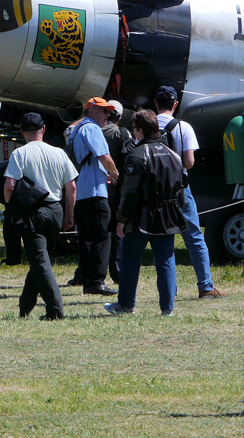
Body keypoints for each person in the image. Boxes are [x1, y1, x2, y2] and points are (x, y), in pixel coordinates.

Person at [105, 110, 188, 316]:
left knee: (130, 260)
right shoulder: (174, 155)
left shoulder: (137, 155)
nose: (133, 132)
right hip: (168, 215)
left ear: (140, 130)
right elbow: (181, 190)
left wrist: (121, 219)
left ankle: (125, 305)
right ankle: (167, 308)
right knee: (166, 261)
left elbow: (130, 192)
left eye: (134, 129)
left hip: (141, 216)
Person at [3, 112, 77, 320]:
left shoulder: (20, 154)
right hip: (55, 210)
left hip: (33, 213)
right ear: (43, 129)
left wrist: (11, 207)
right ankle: (24, 307)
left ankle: (56, 310)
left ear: (22, 132)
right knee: (41, 261)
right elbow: (71, 186)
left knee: (41, 263)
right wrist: (69, 214)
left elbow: (9, 186)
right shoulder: (59, 153)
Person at [154, 85, 225, 299]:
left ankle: (169, 289)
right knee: (194, 237)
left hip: (154, 190)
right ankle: (205, 286)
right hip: (180, 188)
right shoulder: (184, 127)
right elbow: (189, 162)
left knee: (161, 239)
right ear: (175, 104)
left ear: (155, 103)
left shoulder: (147, 125)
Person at [68, 97, 120, 296]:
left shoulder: (77, 130)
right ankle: (96, 281)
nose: (108, 115)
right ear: (91, 111)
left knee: (86, 239)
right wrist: (115, 173)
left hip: (82, 192)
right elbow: (104, 156)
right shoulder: (92, 129)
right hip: (95, 193)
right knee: (102, 237)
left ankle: (86, 278)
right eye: (104, 111)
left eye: (109, 111)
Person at [102, 101, 134, 284]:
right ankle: (117, 271)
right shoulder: (122, 133)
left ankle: (88, 271)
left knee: (97, 233)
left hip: (94, 189)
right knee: (116, 231)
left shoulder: (92, 131)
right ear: (120, 118)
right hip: (115, 188)